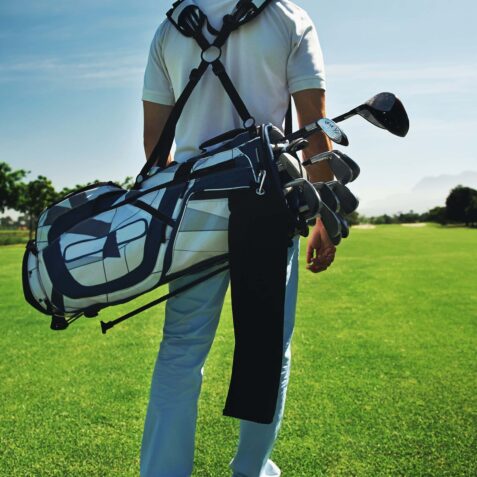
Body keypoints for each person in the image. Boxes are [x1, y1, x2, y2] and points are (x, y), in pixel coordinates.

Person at [140, 1, 336, 475]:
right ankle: (251, 470)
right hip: (267, 207)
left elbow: (155, 146)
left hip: (191, 210)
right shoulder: (289, 17)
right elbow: (314, 130)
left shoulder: (169, 29)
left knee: (180, 351)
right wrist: (325, 217)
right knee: (268, 348)